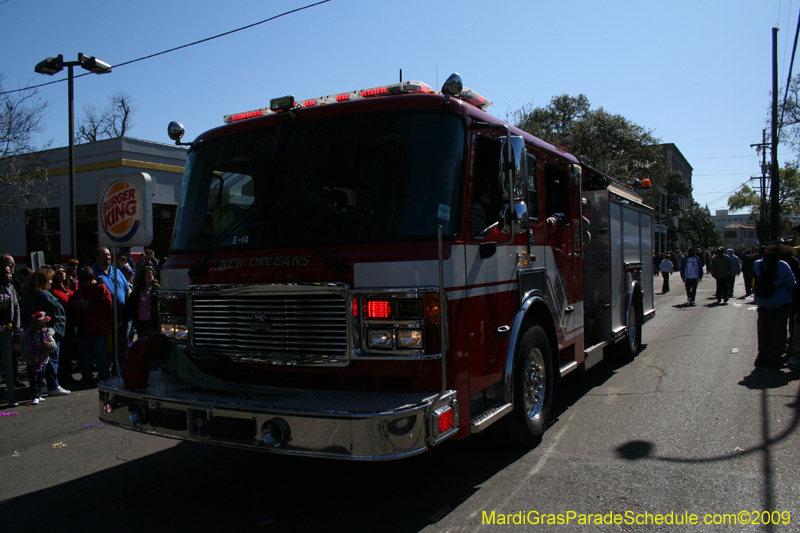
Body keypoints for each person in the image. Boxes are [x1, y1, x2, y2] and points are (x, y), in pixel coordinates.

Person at [19, 269, 70, 397]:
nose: (51, 282)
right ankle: (53, 385)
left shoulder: (26, 295)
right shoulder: (44, 295)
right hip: (47, 332)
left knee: (35, 361)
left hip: (31, 332)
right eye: (49, 280)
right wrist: (56, 329)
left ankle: (39, 385)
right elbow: (56, 312)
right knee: (51, 358)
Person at [753, 245, 797, 369]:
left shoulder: (758, 264)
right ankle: (774, 359)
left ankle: (762, 357)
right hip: (780, 305)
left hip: (762, 303)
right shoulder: (783, 265)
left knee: (763, 333)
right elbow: (792, 285)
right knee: (778, 334)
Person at [91, 246, 131, 371]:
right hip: (104, 316)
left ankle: (119, 369)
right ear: (97, 257)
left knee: (121, 345)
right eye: (104, 255)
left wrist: (127, 309)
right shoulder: (92, 272)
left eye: (108, 255)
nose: (107, 257)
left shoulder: (117, 271)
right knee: (106, 345)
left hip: (121, 315)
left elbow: (127, 289)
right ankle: (105, 370)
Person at [74, 267, 113, 382]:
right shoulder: (82, 289)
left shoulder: (101, 289)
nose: (84, 284)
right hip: (84, 328)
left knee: (100, 354)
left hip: (98, 328)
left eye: (86, 282)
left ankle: (104, 374)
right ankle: (86, 375)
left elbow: (108, 307)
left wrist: (90, 306)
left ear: (91, 279)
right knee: (85, 355)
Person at [21, 311, 56, 405]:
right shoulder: (27, 333)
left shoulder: (46, 333)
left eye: (38, 323)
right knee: (33, 379)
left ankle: (38, 393)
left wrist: (49, 345)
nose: (35, 325)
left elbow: (53, 345)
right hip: (30, 359)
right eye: (34, 323)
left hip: (42, 359)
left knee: (40, 378)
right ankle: (35, 395)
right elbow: (21, 346)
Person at [50, 264, 77, 385]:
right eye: (59, 272)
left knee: (69, 352)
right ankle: (60, 377)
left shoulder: (67, 287)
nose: (62, 274)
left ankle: (68, 375)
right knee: (61, 352)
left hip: (71, 323)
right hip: (60, 325)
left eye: (63, 271)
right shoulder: (53, 290)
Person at [0, 265, 21, 406]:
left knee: (8, 365)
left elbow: (16, 308)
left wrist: (16, 330)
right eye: (8, 273)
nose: (11, 275)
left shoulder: (11, 288)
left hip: (7, 331)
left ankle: (11, 396)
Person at [121, 266, 159, 339]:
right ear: (143, 276)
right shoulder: (137, 291)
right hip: (140, 323)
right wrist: (123, 319)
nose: (150, 275)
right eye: (148, 274)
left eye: (152, 273)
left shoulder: (156, 290)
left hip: (153, 323)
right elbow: (130, 306)